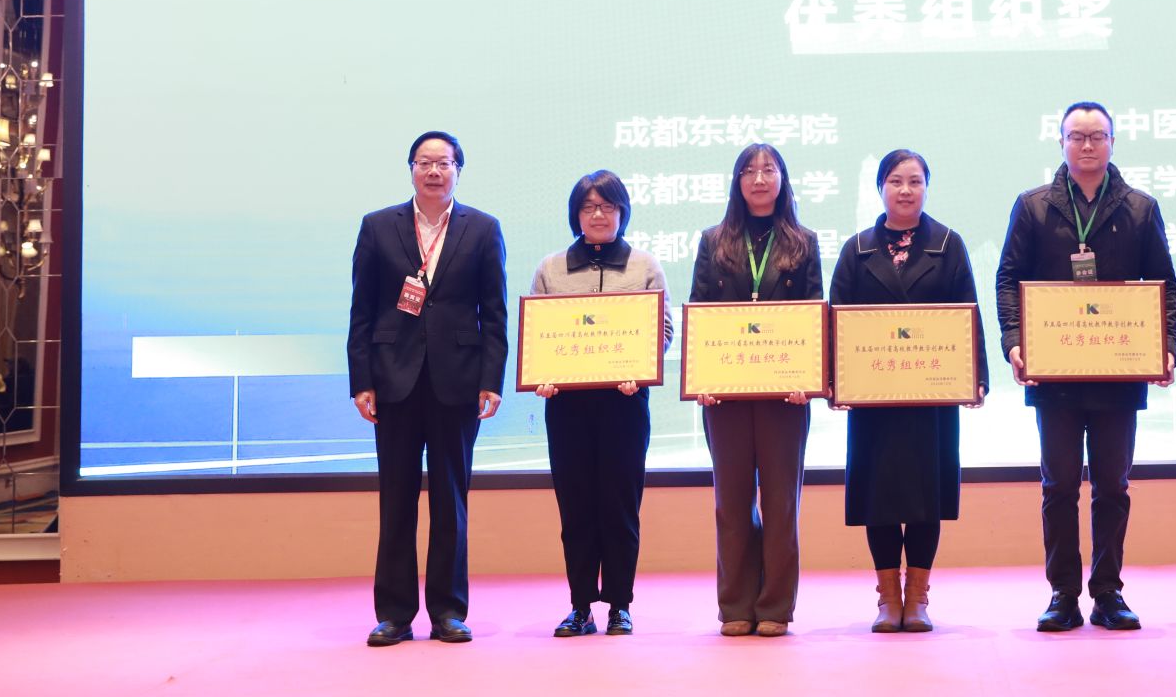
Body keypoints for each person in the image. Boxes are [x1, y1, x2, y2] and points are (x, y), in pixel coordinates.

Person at [995, 101, 1176, 633]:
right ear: (1061, 143)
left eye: (1098, 136)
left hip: (1119, 372)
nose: (1088, 145)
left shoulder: (1140, 208)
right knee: (1058, 487)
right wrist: (1014, 342)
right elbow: (1008, 278)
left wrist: (1165, 346)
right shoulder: (1033, 207)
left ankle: (1108, 592)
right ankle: (1063, 594)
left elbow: (1163, 285)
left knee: (1113, 487)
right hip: (1055, 374)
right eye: (1077, 136)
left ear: (1113, 142)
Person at [346, 131, 507, 647]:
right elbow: (362, 310)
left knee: (450, 501)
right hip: (393, 380)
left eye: (444, 163)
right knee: (395, 501)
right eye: (424, 162)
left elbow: (495, 313)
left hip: (457, 381)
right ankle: (394, 614)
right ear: (411, 169)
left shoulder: (483, 228)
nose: (434, 171)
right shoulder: (378, 226)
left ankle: (448, 611)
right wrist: (361, 380)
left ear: (459, 169)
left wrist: (492, 380)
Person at [828, 149, 988, 632]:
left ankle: (917, 597)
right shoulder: (856, 249)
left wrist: (976, 375)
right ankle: (886, 598)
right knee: (878, 496)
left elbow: (968, 311)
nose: (905, 190)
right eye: (895, 181)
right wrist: (834, 379)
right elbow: (836, 320)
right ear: (881, 187)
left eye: (915, 181)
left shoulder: (949, 244)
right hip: (874, 397)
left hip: (930, 395)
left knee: (925, 495)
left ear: (926, 187)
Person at [530, 170, 674, 639]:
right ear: (576, 214)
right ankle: (579, 607)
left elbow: (663, 330)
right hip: (567, 407)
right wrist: (543, 374)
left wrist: (642, 366)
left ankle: (619, 605)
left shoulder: (644, 265)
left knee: (620, 505)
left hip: (624, 404)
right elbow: (539, 335)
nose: (598, 214)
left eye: (608, 206)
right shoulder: (551, 268)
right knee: (576, 508)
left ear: (622, 212)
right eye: (589, 206)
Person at [689, 142, 824, 638]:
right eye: (749, 171)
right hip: (725, 394)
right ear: (737, 181)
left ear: (783, 179)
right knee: (731, 500)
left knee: (781, 502)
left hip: (785, 395)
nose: (760, 179)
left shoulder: (804, 242)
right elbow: (699, 309)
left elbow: (815, 311)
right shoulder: (713, 241)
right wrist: (702, 379)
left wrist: (809, 379)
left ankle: (775, 606)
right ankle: (736, 605)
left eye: (769, 170)